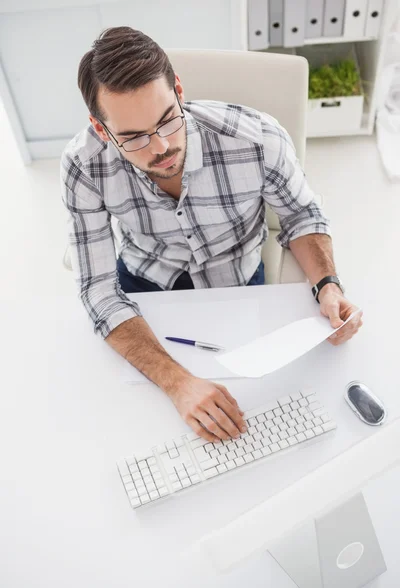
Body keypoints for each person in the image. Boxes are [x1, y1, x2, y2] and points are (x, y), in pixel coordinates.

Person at [61, 27, 363, 444]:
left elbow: (301, 214)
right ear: (100, 129)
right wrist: (179, 383)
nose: (161, 147)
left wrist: (328, 285)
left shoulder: (258, 137)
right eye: (133, 137)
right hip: (145, 283)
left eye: (168, 120)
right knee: (133, 425)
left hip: (238, 278)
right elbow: (98, 290)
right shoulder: (84, 165)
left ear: (179, 91)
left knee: (262, 401)